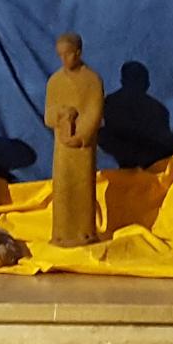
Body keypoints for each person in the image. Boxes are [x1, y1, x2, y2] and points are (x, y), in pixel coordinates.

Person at [44, 32, 104, 246]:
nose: (63, 59)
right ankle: (61, 231)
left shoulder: (92, 80)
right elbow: (48, 115)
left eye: (67, 54)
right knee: (62, 188)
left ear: (78, 53)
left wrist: (80, 137)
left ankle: (84, 231)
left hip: (82, 147)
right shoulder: (55, 82)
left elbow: (94, 112)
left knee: (83, 188)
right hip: (62, 146)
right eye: (60, 55)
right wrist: (60, 113)